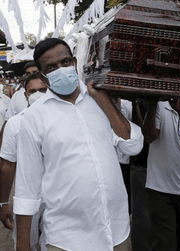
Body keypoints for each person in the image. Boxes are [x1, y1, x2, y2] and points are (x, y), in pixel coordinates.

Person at [14, 38, 144, 250]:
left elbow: (133, 146)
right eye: (51, 67)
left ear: (74, 62)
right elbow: (27, 189)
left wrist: (104, 102)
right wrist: (23, 245)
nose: (61, 69)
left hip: (116, 232)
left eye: (65, 62)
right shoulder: (34, 118)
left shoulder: (99, 100)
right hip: (67, 239)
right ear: (42, 76)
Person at [0, 73, 48, 250]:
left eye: (42, 90)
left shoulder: (63, 119)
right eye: (33, 91)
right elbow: (7, 165)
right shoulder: (15, 124)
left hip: (58, 198)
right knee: (26, 243)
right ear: (26, 94)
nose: (37, 94)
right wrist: (3, 203)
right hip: (28, 199)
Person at [142, 97, 180, 251]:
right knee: (165, 243)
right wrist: (152, 103)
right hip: (160, 188)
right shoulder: (158, 106)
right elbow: (149, 136)